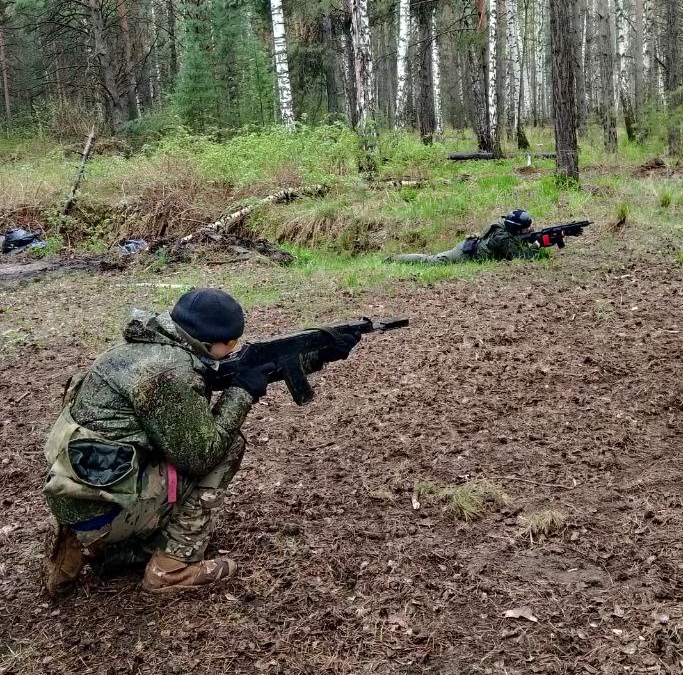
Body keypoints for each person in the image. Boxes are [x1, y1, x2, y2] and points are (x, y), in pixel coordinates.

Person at [41, 288, 358, 597]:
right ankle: (171, 568)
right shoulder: (169, 374)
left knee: (186, 452)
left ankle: (87, 546)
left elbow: (223, 374)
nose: (234, 350)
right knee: (227, 449)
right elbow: (202, 454)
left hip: (76, 491)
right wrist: (242, 393)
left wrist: (316, 356)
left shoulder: (142, 350)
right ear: (213, 343)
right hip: (106, 504)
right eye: (232, 344)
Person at [387, 209, 540, 266]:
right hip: (465, 255)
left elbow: (519, 238)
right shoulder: (503, 237)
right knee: (429, 260)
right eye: (524, 229)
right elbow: (520, 258)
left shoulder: (503, 225)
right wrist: (537, 245)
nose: (527, 230)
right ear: (515, 228)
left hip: (470, 247)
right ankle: (393, 259)